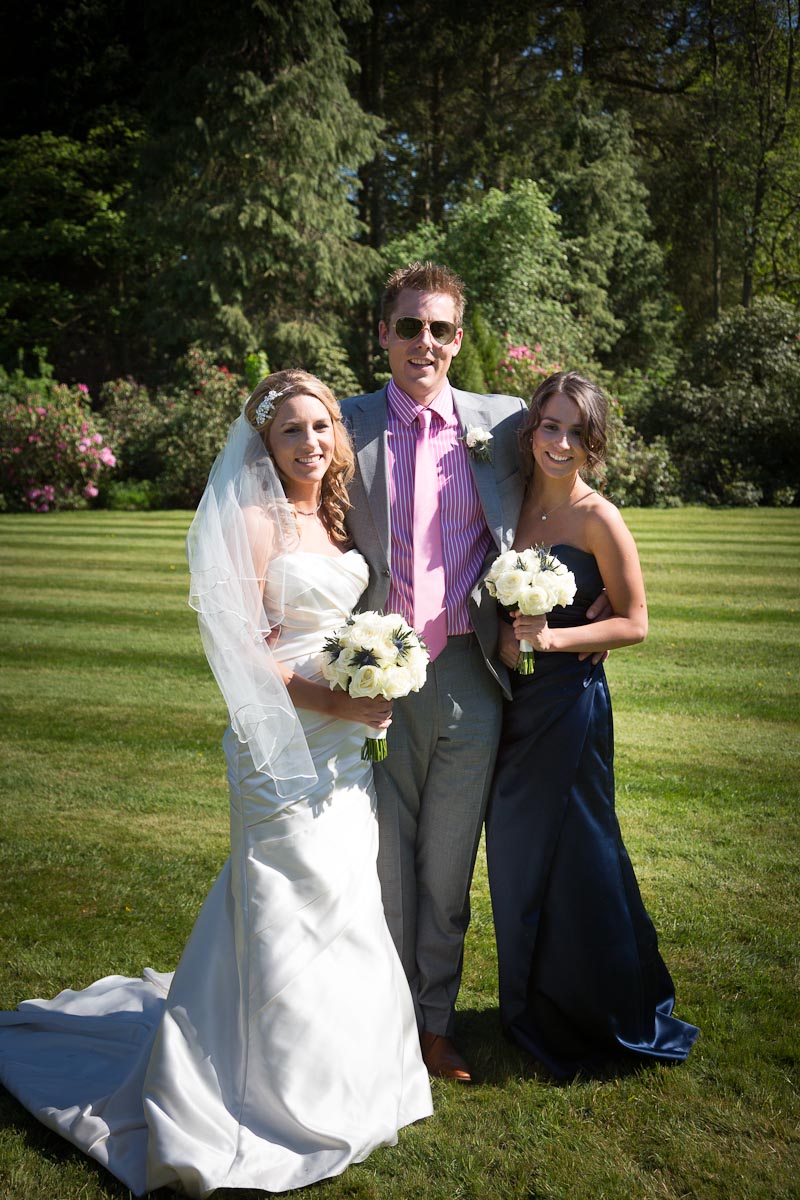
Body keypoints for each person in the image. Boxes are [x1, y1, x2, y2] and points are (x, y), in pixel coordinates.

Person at [0, 369, 432, 1196]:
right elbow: (244, 651)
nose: (310, 442)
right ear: (264, 443)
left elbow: (339, 626)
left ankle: (352, 1073)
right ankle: (252, 1084)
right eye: (291, 430)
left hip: (344, 747)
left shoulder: (336, 515)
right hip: (280, 737)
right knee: (283, 893)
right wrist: (337, 698)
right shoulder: (252, 521)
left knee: (344, 892)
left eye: (321, 426)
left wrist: (374, 677)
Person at [342, 261, 611, 1083]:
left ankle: (434, 1024)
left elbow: (570, 476)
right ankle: (382, 1018)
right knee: (384, 867)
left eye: (440, 328)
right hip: (377, 681)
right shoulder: (343, 424)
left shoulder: (501, 423)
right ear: (384, 334)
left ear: (459, 339)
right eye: (409, 326)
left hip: (471, 678)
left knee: (448, 869)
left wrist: (591, 601)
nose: (424, 342)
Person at [486, 369, 699, 1079]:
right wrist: (504, 639)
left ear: (593, 442)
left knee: (580, 855)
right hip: (510, 708)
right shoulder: (508, 504)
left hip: (569, 707)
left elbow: (634, 622)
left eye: (577, 432)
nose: (561, 442)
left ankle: (602, 1008)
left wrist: (550, 639)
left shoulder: (598, 518)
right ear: (531, 431)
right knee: (517, 858)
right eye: (550, 426)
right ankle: (532, 1004)